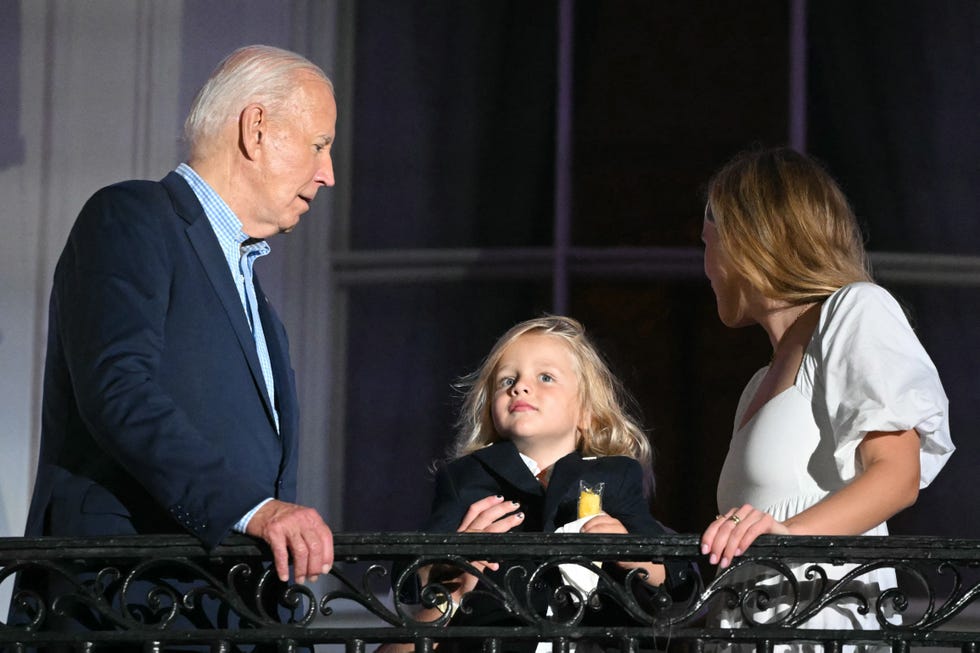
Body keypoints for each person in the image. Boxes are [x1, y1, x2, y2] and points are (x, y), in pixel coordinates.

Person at [15, 44, 336, 631]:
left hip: (231, 611)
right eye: (320, 145)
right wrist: (253, 511)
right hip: (125, 603)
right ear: (257, 127)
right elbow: (118, 389)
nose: (328, 173)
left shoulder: (256, 297)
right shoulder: (132, 216)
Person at [697, 147, 955, 642]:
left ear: (747, 241)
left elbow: (897, 475)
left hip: (822, 622)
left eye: (707, 245)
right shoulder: (759, 383)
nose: (705, 267)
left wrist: (789, 539)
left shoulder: (855, 311)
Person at [386, 316, 695, 652]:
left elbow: (669, 568)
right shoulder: (466, 475)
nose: (520, 386)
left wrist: (637, 557)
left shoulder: (615, 475)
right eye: (506, 381)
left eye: (545, 377)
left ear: (586, 413)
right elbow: (412, 568)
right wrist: (453, 558)